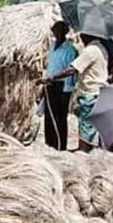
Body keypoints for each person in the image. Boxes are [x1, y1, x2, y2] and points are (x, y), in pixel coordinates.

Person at [39, 33, 108, 152]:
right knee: (94, 127)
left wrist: (51, 78)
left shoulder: (90, 51)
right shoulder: (101, 49)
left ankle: (83, 153)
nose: (81, 37)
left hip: (89, 92)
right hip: (99, 91)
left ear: (87, 35)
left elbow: (73, 69)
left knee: (86, 127)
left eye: (83, 35)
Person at [43, 22, 79, 151]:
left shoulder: (70, 49)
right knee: (49, 115)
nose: (56, 33)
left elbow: (70, 71)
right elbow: (50, 64)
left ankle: (60, 145)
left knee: (60, 117)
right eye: (54, 30)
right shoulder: (52, 46)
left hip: (63, 85)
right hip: (50, 82)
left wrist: (68, 88)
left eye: (58, 30)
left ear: (64, 32)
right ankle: (49, 143)